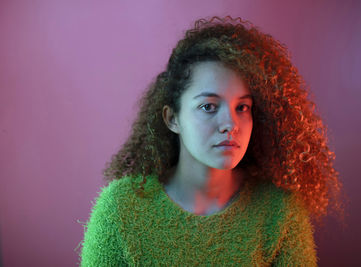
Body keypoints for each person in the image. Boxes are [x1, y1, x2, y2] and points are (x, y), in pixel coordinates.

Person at [77, 16, 345, 266]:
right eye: (208, 107)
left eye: (243, 108)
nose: (230, 124)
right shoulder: (120, 208)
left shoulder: (280, 211)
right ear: (173, 119)